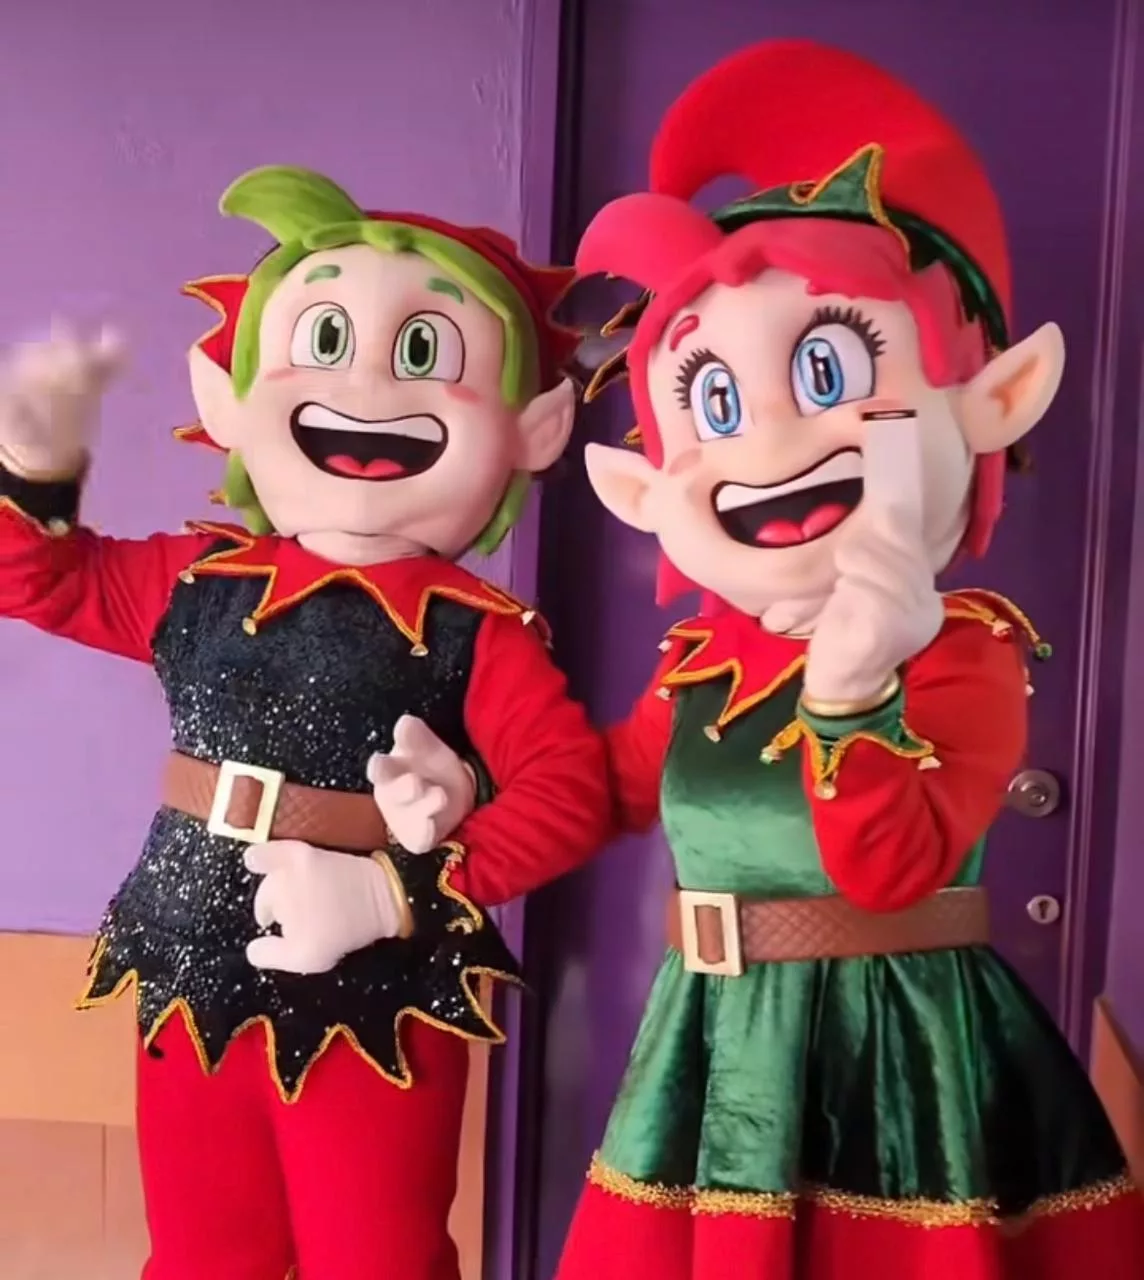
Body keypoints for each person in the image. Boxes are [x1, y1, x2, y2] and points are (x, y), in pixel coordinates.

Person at [370, 40, 1144, 1280]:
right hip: (716, 1045)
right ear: (645, 483)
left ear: (993, 400)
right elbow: (604, 792)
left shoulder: (964, 652)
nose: (767, 441)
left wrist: (851, 695)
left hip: (898, 1061)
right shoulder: (702, 661)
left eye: (827, 371)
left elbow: (890, 870)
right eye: (715, 403)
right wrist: (464, 813)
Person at [0, 164, 610, 1280]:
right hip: (186, 954)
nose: (366, 386)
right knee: (201, 1253)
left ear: (534, 428)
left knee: (374, 1256)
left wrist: (395, 891)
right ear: (227, 394)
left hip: (378, 987)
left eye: (422, 352)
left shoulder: (479, 631)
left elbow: (571, 792)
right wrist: (31, 469)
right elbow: (35, 578)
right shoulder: (195, 580)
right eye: (326, 340)